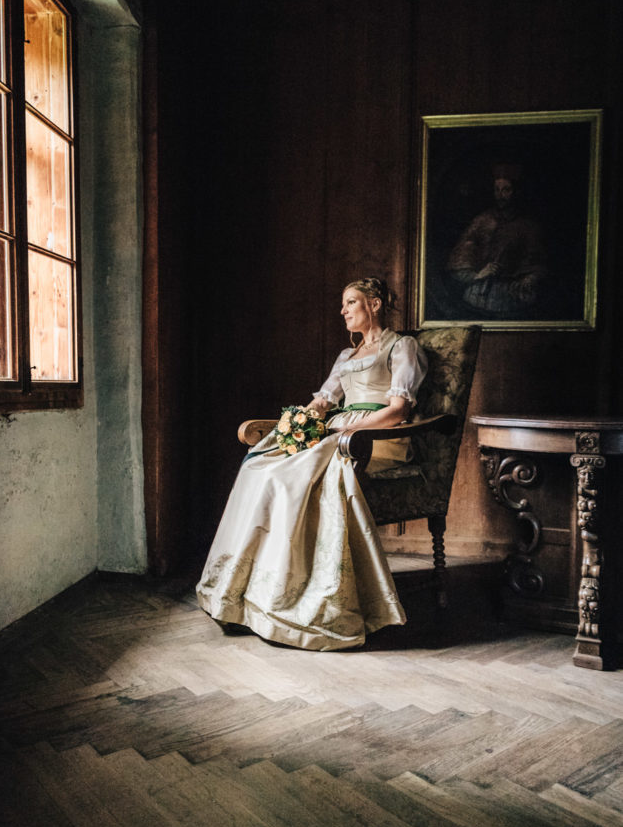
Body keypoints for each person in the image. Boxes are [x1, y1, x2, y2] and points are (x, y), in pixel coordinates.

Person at [196, 277, 428, 651]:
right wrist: (296, 423)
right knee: (260, 466)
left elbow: (399, 409)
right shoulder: (346, 356)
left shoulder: (402, 347)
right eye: (343, 304)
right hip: (340, 432)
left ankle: (307, 595)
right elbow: (323, 401)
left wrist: (348, 428)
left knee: (291, 475)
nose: (343, 311)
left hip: (377, 437)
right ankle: (257, 588)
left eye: (351, 302)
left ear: (375, 304)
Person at [447, 163, 547, 317]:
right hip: (479, 292)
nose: (501, 195)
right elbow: (460, 259)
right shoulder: (482, 221)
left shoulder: (528, 226)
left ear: (516, 192)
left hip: (513, 295)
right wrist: (477, 275)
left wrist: (528, 279)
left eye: (506, 190)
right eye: (497, 190)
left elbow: (538, 263)